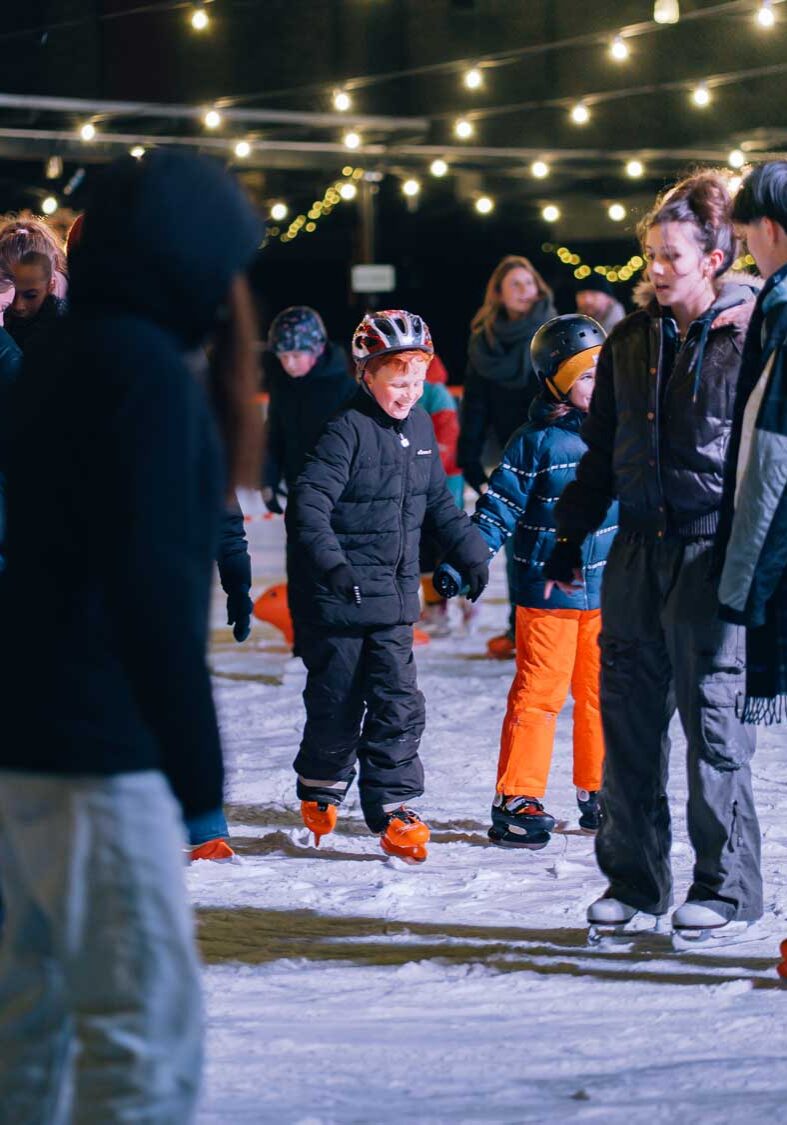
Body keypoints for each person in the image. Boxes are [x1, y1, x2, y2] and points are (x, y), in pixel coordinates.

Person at [0, 150, 261, 1121]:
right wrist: (198, 782)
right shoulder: (145, 376)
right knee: (138, 1039)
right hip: (98, 761)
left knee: (31, 1028)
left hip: (25, 745)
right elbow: (153, 597)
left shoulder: (64, 353)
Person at [543, 170, 763, 939]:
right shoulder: (631, 339)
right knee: (628, 723)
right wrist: (571, 531)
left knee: (711, 727)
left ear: (713, 256)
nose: (655, 268)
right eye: (649, 253)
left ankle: (726, 888)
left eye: (670, 254)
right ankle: (633, 882)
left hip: (711, 550)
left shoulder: (752, 336)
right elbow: (601, 449)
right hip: (635, 551)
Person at [286, 309, 489, 862]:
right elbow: (308, 507)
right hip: (342, 599)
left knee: (401, 703)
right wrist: (334, 567)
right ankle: (323, 784)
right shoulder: (345, 430)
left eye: (418, 380)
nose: (410, 393)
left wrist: (469, 549)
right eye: (398, 381)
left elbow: (437, 503)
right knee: (337, 702)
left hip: (395, 601)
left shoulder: (420, 427)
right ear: (366, 374)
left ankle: (395, 807)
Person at [463, 314, 615, 849]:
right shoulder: (535, 443)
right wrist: (468, 557)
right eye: (588, 377)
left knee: (601, 694)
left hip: (608, 594)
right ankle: (517, 798)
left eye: (607, 373)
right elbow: (498, 507)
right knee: (539, 696)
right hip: (549, 593)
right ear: (556, 382)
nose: (602, 387)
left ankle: (600, 790)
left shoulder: (623, 434)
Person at [457, 255, 557, 659]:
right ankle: (521, 627)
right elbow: (476, 403)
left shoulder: (553, 331)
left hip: (555, 449)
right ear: (497, 292)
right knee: (519, 547)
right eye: (513, 284)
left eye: (528, 282)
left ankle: (563, 627)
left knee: (556, 540)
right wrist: (469, 454)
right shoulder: (485, 341)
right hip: (512, 457)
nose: (523, 290)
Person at [718, 160, 787, 725]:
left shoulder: (781, 306)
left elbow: (771, 453)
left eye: (747, 238)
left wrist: (748, 579)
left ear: (770, 228)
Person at [261, 305, 355, 514]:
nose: (289, 364)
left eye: (295, 355)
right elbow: (274, 437)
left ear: (317, 349)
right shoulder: (283, 388)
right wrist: (268, 479)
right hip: (299, 493)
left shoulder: (346, 389)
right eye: (283, 357)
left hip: (341, 499)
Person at [3, 250, 67, 353]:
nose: (17, 306)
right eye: (10, 294)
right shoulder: (10, 315)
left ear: (51, 286)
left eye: (30, 296)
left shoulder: (64, 327)